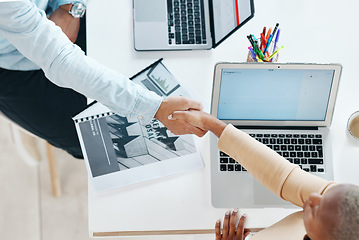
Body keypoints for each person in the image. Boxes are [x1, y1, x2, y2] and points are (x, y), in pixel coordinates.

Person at [0, 1, 206, 159]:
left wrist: (71, 6)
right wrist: (154, 107)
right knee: (92, 144)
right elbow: (58, 57)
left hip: (56, 14)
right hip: (13, 66)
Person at [168, 110, 359, 240]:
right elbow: (282, 176)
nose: (314, 197)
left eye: (317, 209)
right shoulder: (339, 210)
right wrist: (212, 124)